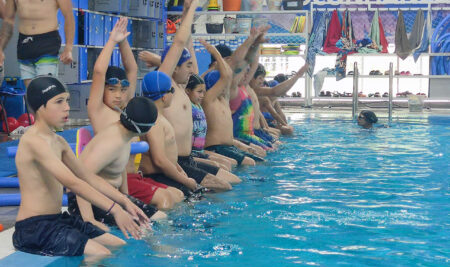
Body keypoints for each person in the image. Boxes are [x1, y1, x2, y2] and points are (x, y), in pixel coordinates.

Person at [13, 76, 149, 257]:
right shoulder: (33, 141)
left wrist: (125, 202)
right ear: (40, 106)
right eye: (59, 102)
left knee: (119, 245)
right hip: (34, 228)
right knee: (100, 253)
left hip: (57, 220)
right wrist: (115, 210)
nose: (67, 107)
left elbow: (88, 177)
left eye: (67, 101)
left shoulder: (58, 141)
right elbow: (73, 182)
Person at [85, 18, 178, 215]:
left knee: (177, 195)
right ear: (103, 90)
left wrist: (123, 41)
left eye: (122, 90)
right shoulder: (98, 110)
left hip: (131, 178)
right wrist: (111, 41)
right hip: (114, 182)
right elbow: (99, 72)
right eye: (112, 89)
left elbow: (132, 69)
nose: (118, 95)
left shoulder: (125, 110)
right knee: (165, 202)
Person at [159, 0, 234, 191]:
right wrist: (194, 8)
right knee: (222, 187)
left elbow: (187, 45)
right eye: (188, 65)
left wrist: (186, 15)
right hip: (176, 162)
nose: (192, 69)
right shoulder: (168, 87)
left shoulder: (184, 87)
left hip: (189, 158)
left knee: (232, 181)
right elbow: (179, 43)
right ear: (175, 68)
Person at [0, 0, 75, 87]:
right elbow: (8, 20)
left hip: (47, 44)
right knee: (31, 94)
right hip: (24, 44)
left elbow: (68, 16)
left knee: (45, 90)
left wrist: (68, 48)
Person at [185, 72, 239, 171]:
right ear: (187, 91)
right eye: (199, 92)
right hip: (192, 153)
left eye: (204, 92)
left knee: (231, 164)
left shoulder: (198, 105)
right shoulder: (187, 105)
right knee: (221, 166)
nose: (202, 95)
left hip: (200, 151)